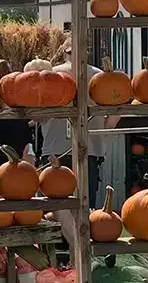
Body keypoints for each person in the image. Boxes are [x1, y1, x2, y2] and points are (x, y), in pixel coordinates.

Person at [37, 44, 120, 205]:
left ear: (64, 53)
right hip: (91, 147)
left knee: (54, 204)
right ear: (86, 53)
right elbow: (115, 114)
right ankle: (83, 230)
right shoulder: (100, 76)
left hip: (55, 148)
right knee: (86, 201)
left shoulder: (50, 75)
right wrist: (102, 129)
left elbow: (40, 115)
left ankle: (64, 230)